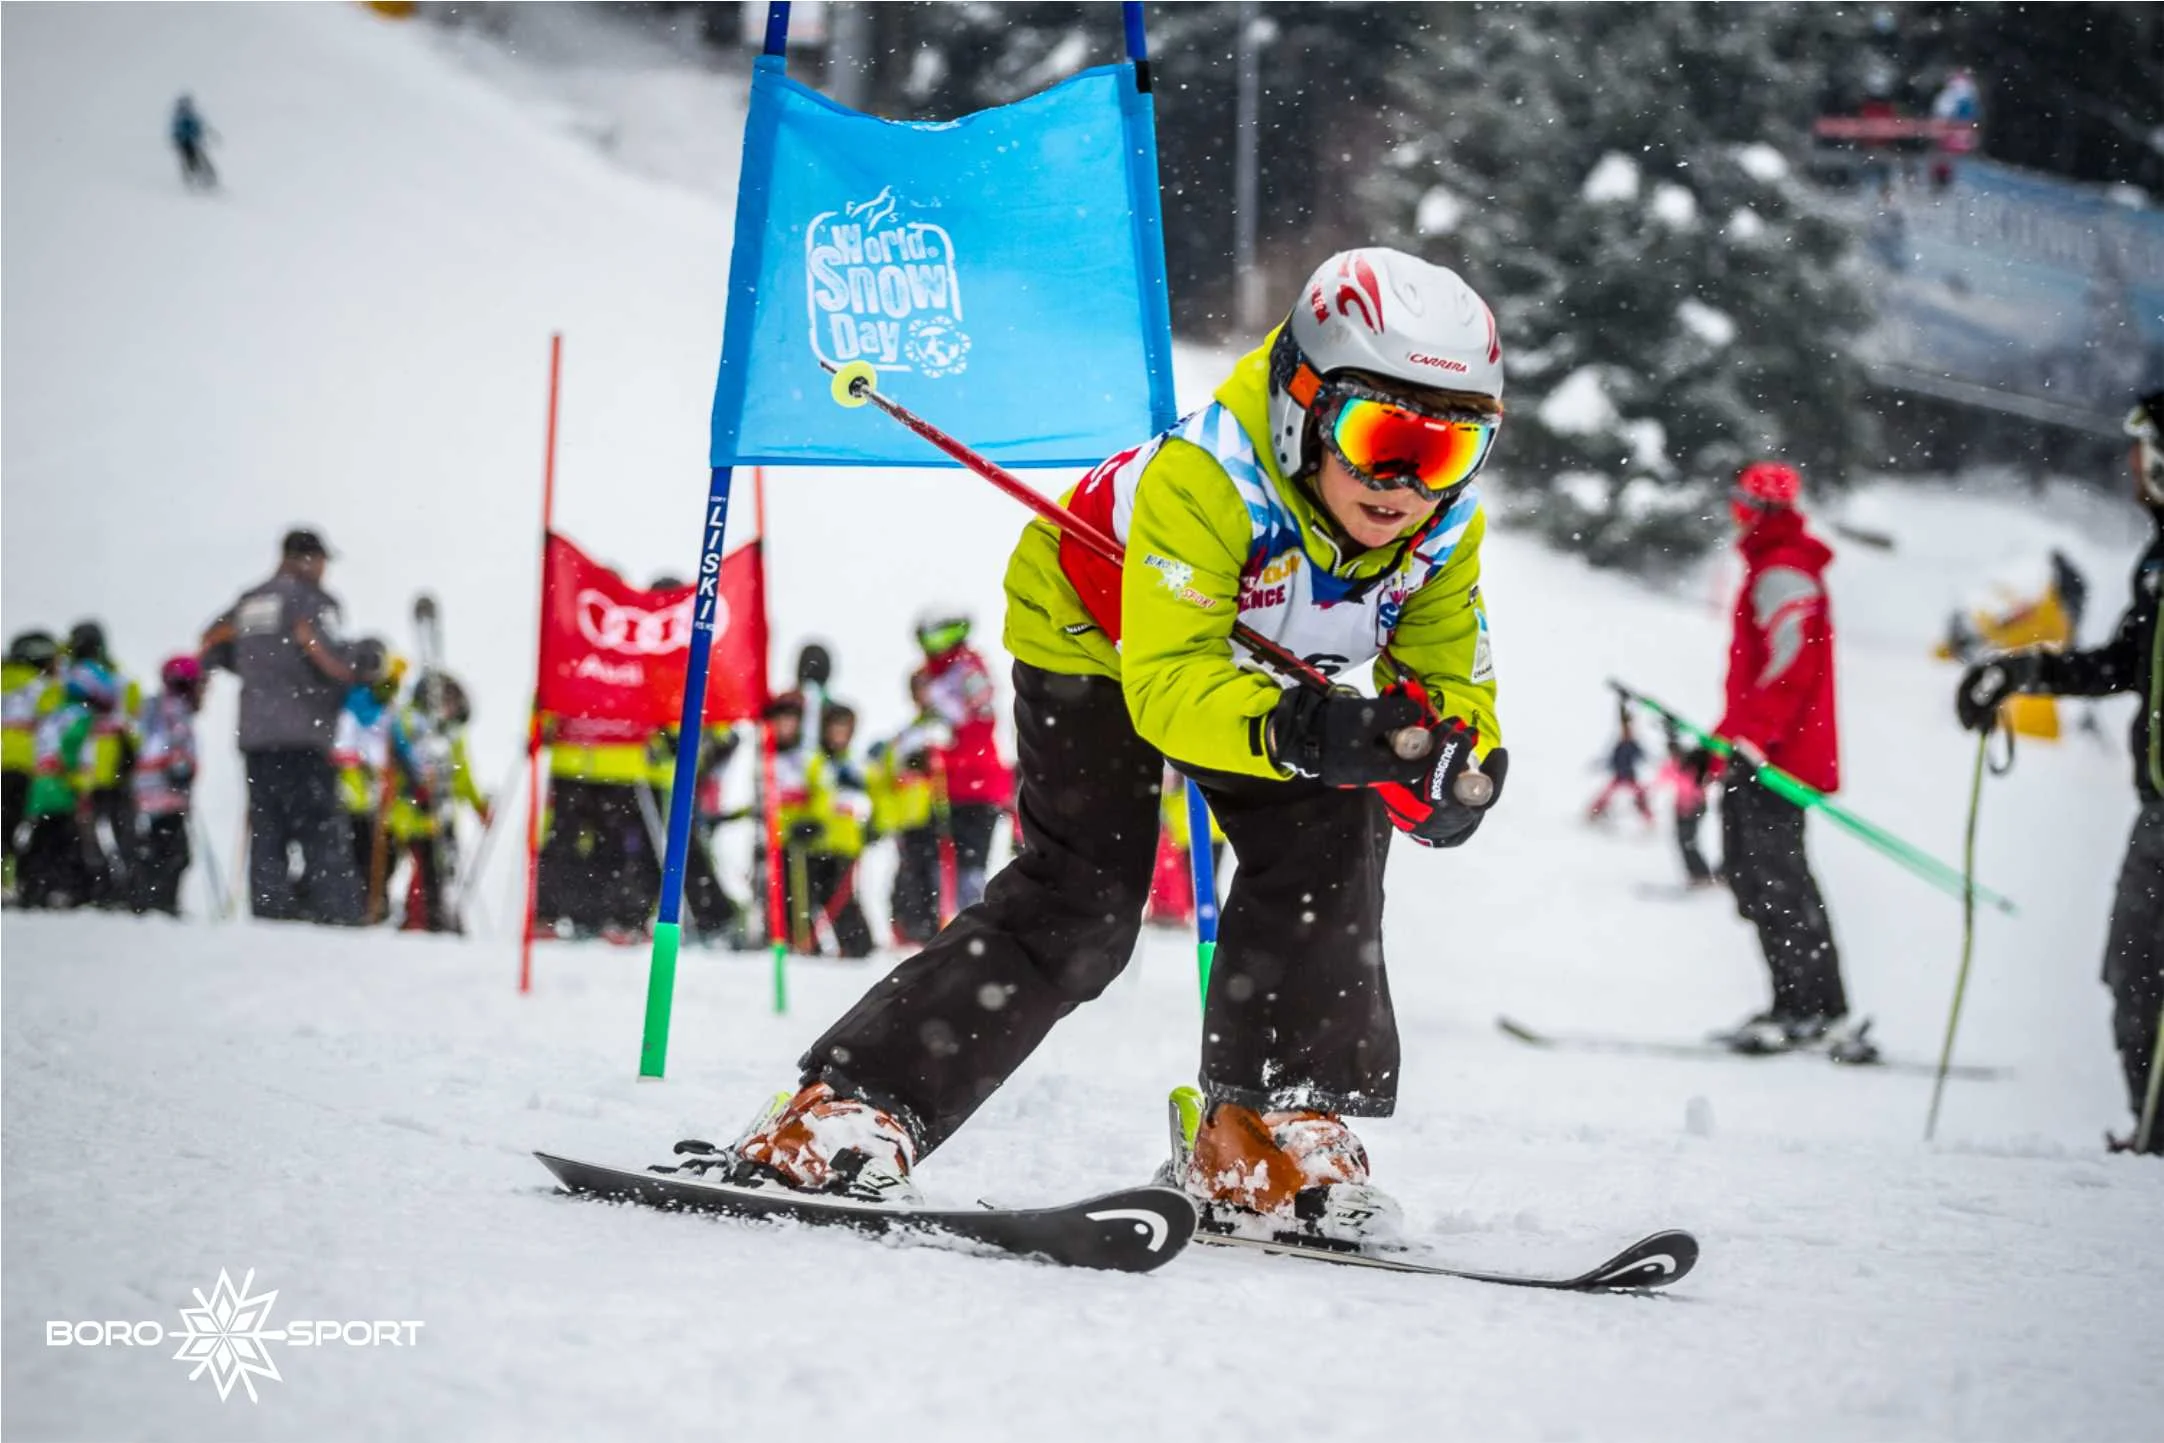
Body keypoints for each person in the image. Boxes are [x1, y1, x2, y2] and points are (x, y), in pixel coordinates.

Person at [708, 248, 1509, 1244]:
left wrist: (1445, 767)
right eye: (1378, 435)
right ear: (1304, 404)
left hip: (1257, 669)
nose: (1402, 484)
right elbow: (1171, 693)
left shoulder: (1441, 532)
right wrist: (1312, 729)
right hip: (1094, 634)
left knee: (1334, 835)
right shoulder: (1206, 482)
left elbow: (1447, 683)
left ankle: (1265, 1131)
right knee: (1082, 902)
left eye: (1444, 452)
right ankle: (844, 1109)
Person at [1956, 391, 2164, 1153]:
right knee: (2134, 976)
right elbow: (2123, 663)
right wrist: (2023, 672)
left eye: (2141, 449)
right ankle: (2154, 1135)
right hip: (2157, 810)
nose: (2130, 464)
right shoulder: (2157, 560)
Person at [1709, 462, 1873, 1062]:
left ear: (1760, 510)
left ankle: (1812, 1009)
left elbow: (1792, 663)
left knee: (1776, 881)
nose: (1735, 515)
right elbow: (1760, 676)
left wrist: (1753, 737)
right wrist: (1723, 739)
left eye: (1740, 504)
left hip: (1780, 760)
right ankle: (1798, 1003)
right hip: (1764, 751)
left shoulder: (1783, 569)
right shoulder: (1772, 565)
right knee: (1759, 877)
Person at [200, 528, 372, 925]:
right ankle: (333, 911)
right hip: (305, 733)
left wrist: (247, 665)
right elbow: (334, 657)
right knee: (320, 828)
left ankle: (270, 908)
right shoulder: (312, 601)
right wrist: (358, 665)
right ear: (308, 559)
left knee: (268, 829)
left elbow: (210, 641)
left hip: (258, 735)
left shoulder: (251, 601)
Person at [909, 609, 1012, 909]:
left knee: (969, 868)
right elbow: (929, 728)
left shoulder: (968, 671)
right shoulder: (931, 674)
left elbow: (978, 727)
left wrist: (943, 754)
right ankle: (942, 927)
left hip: (977, 787)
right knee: (937, 865)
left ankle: (972, 930)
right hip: (946, 789)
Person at [387, 671, 489, 933]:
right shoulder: (407, 720)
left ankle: (434, 917)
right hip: (411, 813)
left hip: (440, 815)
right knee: (423, 867)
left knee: (441, 869)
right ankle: (418, 919)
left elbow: (461, 774)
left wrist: (478, 804)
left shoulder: (450, 733)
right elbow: (398, 763)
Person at [18, 662, 119, 909]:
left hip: (41, 787)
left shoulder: (54, 713)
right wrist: (81, 786)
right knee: (67, 841)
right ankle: (71, 890)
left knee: (42, 838)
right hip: (63, 788)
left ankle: (33, 888)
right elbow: (76, 754)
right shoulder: (81, 717)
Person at [867, 676, 952, 949]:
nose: (924, 696)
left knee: (932, 871)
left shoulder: (944, 725)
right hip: (911, 816)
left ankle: (930, 927)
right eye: (919, 690)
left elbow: (947, 754)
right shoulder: (908, 733)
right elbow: (890, 771)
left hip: (939, 813)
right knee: (910, 870)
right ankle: (909, 926)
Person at [66, 621, 142, 907]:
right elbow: (134, 716)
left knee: (93, 834)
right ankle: (123, 890)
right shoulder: (120, 680)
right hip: (113, 767)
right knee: (119, 834)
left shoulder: (77, 677)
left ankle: (104, 890)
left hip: (91, 770)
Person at [128, 656, 205, 916]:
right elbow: (176, 747)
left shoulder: (152, 706)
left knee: (153, 849)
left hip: (144, 791)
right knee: (175, 854)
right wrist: (182, 770)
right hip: (166, 793)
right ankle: (161, 903)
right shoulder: (177, 710)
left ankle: (146, 900)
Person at [3, 630, 64, 898]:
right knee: (11, 827)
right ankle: (6, 883)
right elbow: (54, 726)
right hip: (21, 767)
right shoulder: (43, 688)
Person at [1654, 722, 1719, 888]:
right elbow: (1661, 779)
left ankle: (1701, 873)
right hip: (1681, 808)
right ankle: (1696, 873)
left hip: (1694, 807)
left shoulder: (1692, 766)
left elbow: (1701, 784)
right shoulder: (1674, 766)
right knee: (1683, 841)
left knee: (1688, 840)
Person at [1586, 704, 1653, 825]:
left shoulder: (1633, 745)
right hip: (1619, 776)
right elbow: (1610, 759)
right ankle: (1593, 814)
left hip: (1630, 776)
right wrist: (1599, 765)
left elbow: (1643, 756)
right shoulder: (1619, 745)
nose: (1625, 733)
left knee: (1640, 797)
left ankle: (1649, 819)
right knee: (1605, 794)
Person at [171, 94, 217, 190]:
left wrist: (209, 134)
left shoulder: (192, 115)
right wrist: (178, 139)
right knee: (190, 161)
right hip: (186, 144)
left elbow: (202, 126)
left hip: (194, 142)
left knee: (202, 159)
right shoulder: (179, 117)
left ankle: (208, 179)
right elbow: (176, 131)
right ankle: (193, 180)